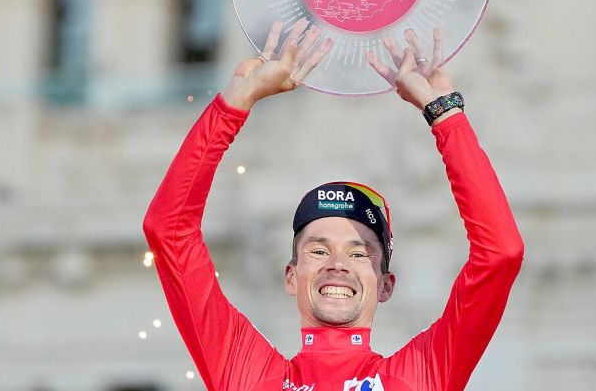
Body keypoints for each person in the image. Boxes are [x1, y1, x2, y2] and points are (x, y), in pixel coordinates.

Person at [143, 21, 524, 391]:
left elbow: (500, 255)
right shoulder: (248, 373)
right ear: (291, 276)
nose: (336, 264)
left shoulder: (421, 374)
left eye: (359, 254)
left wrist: (444, 113)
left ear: (386, 285)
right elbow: (168, 232)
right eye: (319, 249)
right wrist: (233, 105)